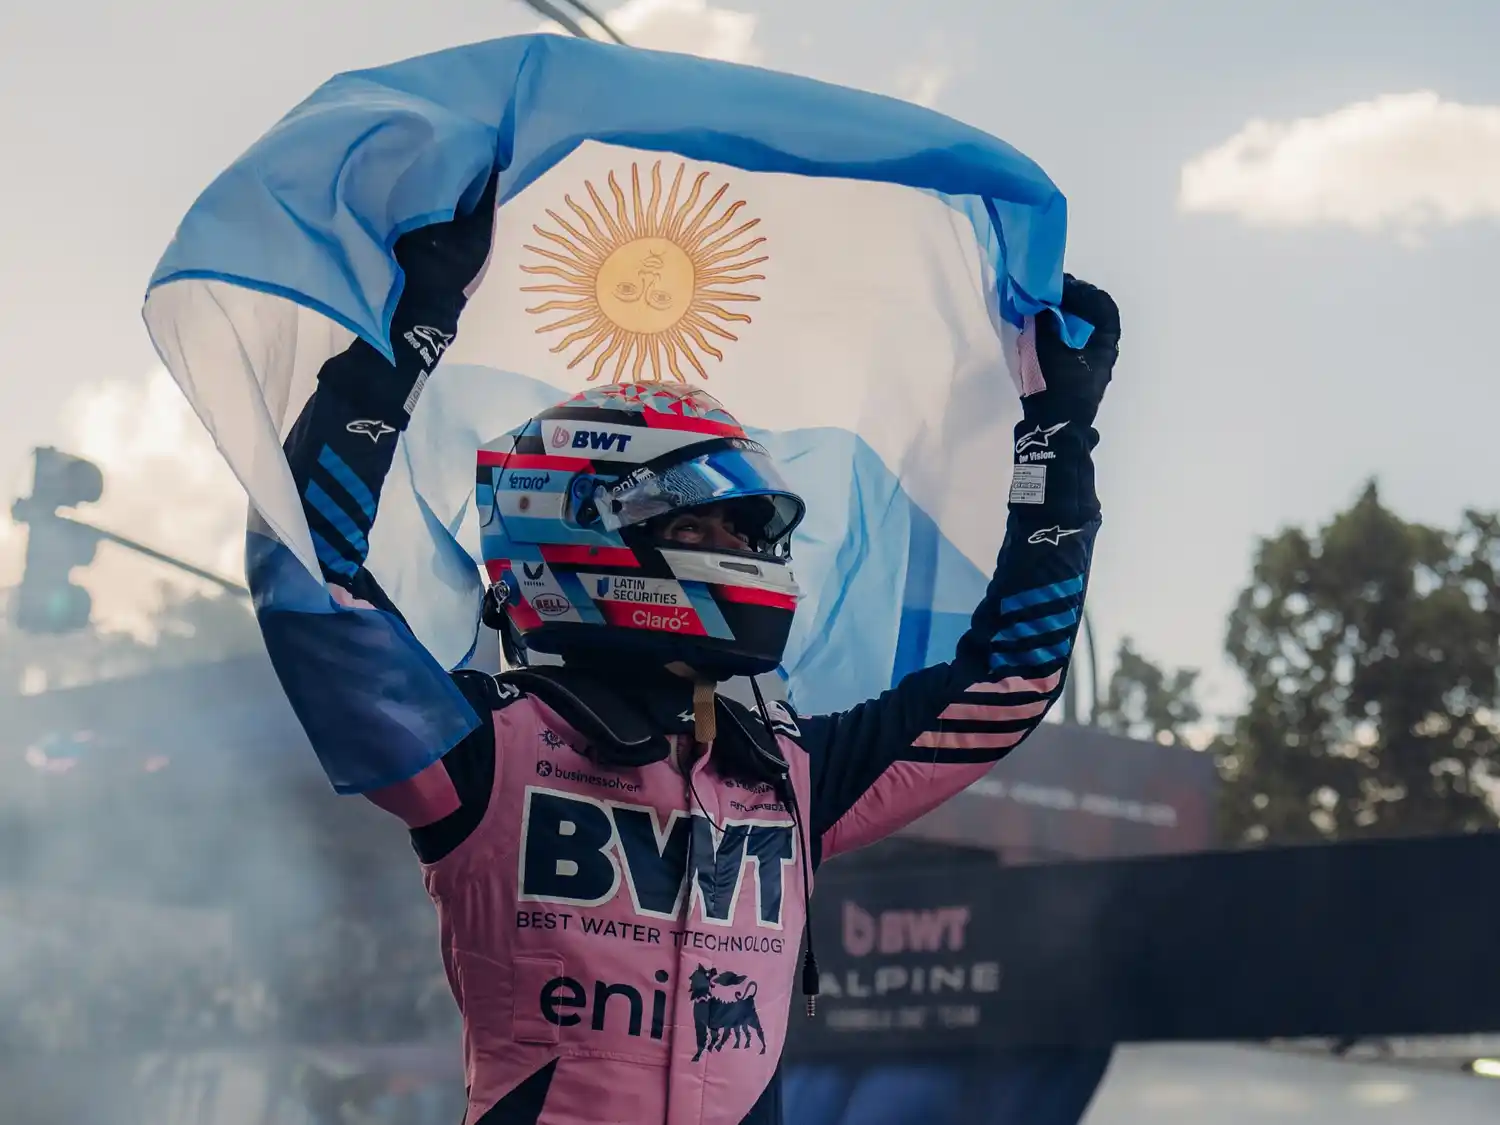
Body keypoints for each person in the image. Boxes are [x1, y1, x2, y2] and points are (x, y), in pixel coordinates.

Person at [277, 177, 1119, 1125]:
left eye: (755, 529)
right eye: (716, 523)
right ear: (588, 529)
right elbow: (311, 582)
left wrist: (1057, 433)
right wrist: (409, 326)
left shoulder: (790, 775)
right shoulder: (483, 749)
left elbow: (1011, 677)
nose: (753, 554)